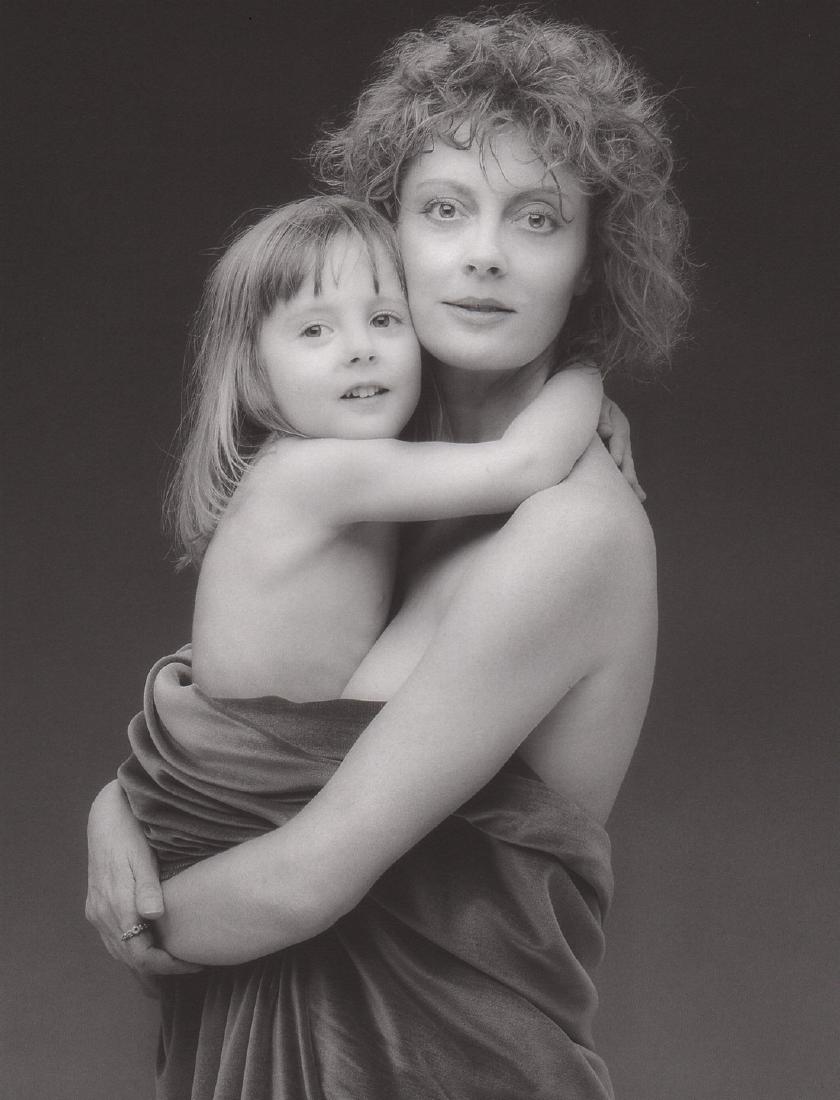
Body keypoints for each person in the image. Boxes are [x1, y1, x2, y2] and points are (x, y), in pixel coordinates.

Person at [86, 11, 689, 1099]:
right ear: (384, 232)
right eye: (444, 208)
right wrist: (115, 811)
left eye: (539, 217)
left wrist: (138, 912)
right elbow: (240, 735)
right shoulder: (365, 471)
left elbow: (304, 871)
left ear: (591, 261)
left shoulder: (572, 531)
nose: (484, 253)